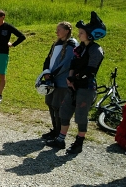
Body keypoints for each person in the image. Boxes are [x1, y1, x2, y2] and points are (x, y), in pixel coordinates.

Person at [47, 11, 106, 153]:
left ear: (89, 35)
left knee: (80, 116)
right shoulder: (81, 48)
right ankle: (60, 140)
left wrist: (75, 79)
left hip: (86, 88)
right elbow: (73, 64)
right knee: (64, 111)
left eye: (81, 32)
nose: (79, 34)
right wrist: (70, 78)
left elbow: (91, 70)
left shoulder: (96, 50)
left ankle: (79, 143)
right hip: (73, 86)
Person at [40, 22, 78, 141]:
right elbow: (48, 59)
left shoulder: (72, 44)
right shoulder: (56, 43)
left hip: (61, 81)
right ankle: (55, 129)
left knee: (57, 106)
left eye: (59, 30)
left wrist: (52, 75)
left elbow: (66, 63)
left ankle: (59, 133)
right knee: (50, 103)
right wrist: (46, 72)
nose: (56, 32)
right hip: (51, 80)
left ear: (67, 31)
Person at [0, 9, 26, 104]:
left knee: (2, 74)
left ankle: (0, 95)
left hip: (3, 54)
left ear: (3, 17)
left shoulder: (8, 27)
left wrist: (13, 44)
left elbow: (22, 36)